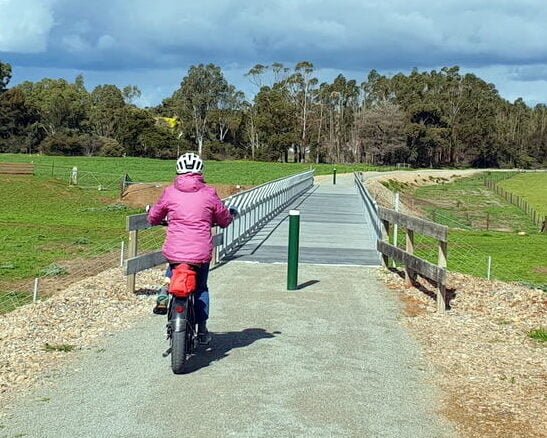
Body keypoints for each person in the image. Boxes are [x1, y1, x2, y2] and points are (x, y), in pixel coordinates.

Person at [147, 152, 236, 344]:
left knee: (174, 268)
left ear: (178, 171)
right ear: (200, 171)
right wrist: (230, 217)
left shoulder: (170, 192)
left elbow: (154, 216)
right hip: (200, 253)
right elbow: (223, 219)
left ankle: (164, 291)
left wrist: (153, 217)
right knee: (201, 288)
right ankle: (202, 330)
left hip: (176, 250)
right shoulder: (209, 193)